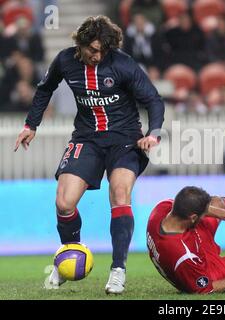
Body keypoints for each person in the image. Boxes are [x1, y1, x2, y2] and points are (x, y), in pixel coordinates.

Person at [14, 15, 165, 294]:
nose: (98, 56)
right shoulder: (64, 60)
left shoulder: (122, 64)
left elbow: (153, 99)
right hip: (86, 138)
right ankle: (69, 255)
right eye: (93, 50)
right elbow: (45, 88)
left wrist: (153, 132)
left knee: (120, 194)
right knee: (63, 203)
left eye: (103, 51)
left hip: (125, 139)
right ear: (80, 43)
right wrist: (30, 125)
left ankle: (118, 270)